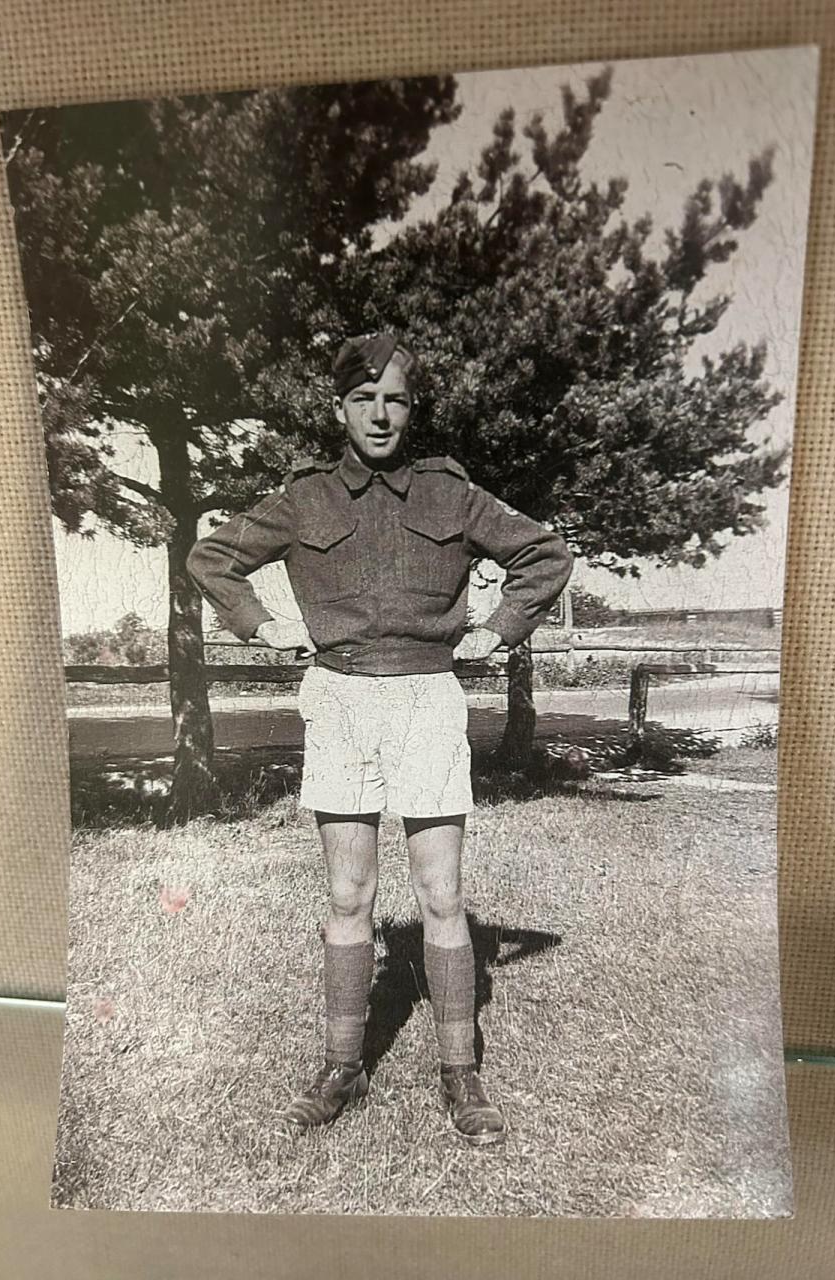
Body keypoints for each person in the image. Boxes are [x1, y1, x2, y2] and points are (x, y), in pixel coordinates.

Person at [186, 333, 573, 1145]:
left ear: (413, 407)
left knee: (440, 896)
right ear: (340, 409)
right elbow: (213, 557)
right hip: (339, 698)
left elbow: (542, 553)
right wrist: (262, 627)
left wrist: (500, 630)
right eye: (363, 400)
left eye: (394, 398)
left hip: (427, 698)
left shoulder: (451, 494)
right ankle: (341, 1065)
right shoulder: (305, 498)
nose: (380, 413)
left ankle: (460, 1072)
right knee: (348, 897)